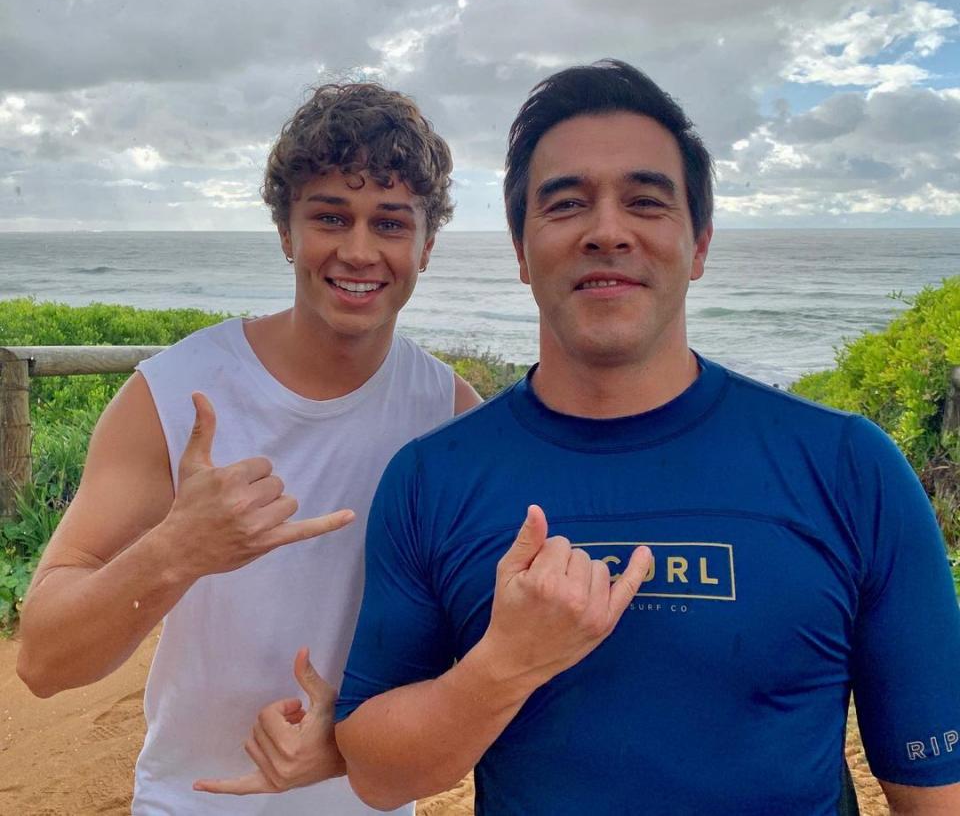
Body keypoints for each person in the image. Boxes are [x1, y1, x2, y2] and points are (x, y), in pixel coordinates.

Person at [334, 60, 960, 814]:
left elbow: (935, 791)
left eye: (645, 201)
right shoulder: (434, 478)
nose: (607, 230)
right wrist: (502, 666)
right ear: (521, 249)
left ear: (698, 245)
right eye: (566, 203)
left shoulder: (849, 468)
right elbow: (376, 770)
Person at [16, 82, 481, 815]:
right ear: (286, 232)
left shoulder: (450, 418)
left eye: (390, 223)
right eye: (330, 216)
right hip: (188, 801)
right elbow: (43, 658)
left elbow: (474, 655)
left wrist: (342, 741)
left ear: (425, 246)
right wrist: (179, 548)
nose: (359, 251)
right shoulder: (174, 395)